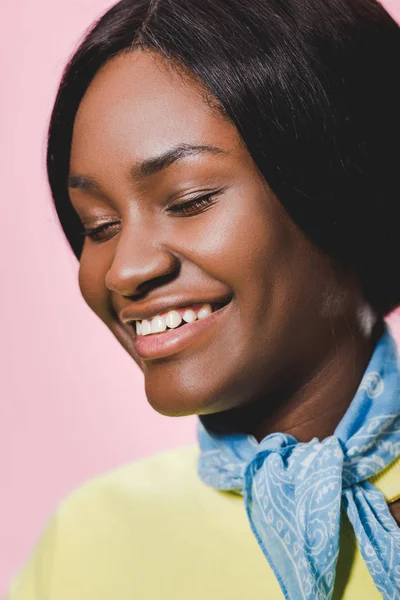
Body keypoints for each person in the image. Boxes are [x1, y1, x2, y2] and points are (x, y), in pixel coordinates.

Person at [5, 0, 400, 598]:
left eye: (189, 200)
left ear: (345, 189)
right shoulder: (88, 541)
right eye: (98, 225)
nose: (125, 270)